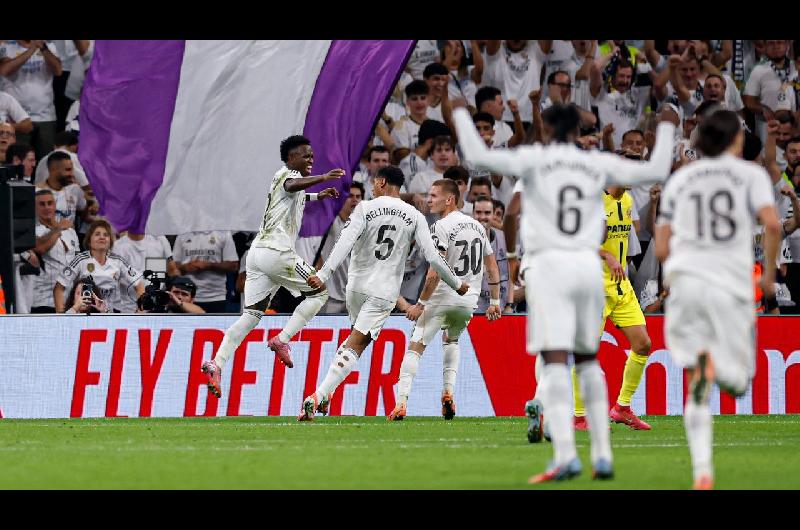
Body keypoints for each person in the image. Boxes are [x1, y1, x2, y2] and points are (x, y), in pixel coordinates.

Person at [453, 104, 675, 482]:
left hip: (548, 269)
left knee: (555, 361)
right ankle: (602, 455)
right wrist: (667, 126)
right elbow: (656, 170)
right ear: (577, 132)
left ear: (546, 127)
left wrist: (460, 114)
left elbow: (477, 156)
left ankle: (567, 456)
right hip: (587, 269)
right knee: (588, 360)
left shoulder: (533, 160)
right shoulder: (595, 164)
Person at [654, 110, 781, 490]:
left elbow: (661, 246)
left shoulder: (681, 179)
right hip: (732, 284)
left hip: (688, 282)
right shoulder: (751, 175)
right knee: (739, 383)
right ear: (735, 141)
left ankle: (702, 471)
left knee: (696, 381)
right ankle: (722, 371)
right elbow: (773, 224)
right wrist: (769, 276)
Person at [299, 166, 469, 420]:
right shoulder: (414, 215)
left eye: (373, 183)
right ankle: (318, 395)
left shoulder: (364, 208)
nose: (371, 188)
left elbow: (343, 243)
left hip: (355, 287)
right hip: (383, 291)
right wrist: (455, 283)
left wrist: (323, 275)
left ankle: (327, 394)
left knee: (353, 339)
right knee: (357, 343)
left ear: (381, 182)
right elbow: (433, 257)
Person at [200, 135, 343, 398]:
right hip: (277, 252)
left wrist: (318, 196)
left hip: (258, 255)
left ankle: (216, 363)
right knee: (320, 292)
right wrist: (323, 178)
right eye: (305, 155)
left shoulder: (289, 183)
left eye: (312, 156)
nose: (310, 159)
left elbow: (296, 195)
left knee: (251, 316)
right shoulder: (286, 174)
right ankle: (282, 339)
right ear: (291, 158)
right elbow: (292, 185)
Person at [390, 180, 502, 420]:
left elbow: (434, 272)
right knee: (451, 341)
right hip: (468, 302)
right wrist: (495, 302)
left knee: (415, 347)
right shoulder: (478, 226)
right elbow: (492, 267)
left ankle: (401, 403)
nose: (429, 200)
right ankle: (448, 392)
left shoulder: (440, 227)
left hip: (443, 297)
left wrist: (420, 304)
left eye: (433, 196)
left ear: (449, 199)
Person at [572, 183, 653, 432]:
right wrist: (606, 256)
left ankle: (622, 408)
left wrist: (619, 262)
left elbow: (624, 244)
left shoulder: (627, 200)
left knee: (643, 344)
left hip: (620, 286)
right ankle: (579, 417)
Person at [54, 219, 145, 313]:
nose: (102, 237)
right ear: (89, 241)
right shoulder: (80, 260)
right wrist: (61, 316)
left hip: (110, 316)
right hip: (85, 316)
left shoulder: (118, 261)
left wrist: (140, 310)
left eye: (106, 235)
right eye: (97, 234)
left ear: (110, 241)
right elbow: (59, 288)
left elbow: (139, 284)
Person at [0, 40, 62, 159]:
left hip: (45, 116)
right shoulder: (6, 46)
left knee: (46, 160)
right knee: (17, 159)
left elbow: (58, 70)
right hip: (17, 118)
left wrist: (43, 48)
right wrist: (31, 50)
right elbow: (5, 70)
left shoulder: (48, 46)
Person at [316, 182, 364, 314]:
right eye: (350, 196)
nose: (355, 200)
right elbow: (315, 250)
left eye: (358, 197)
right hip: (331, 295)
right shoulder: (330, 222)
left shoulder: (364, 226)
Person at [30, 189, 80, 313]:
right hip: (43, 300)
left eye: (50, 203)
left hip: (69, 301)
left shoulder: (70, 231)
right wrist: (58, 228)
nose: (47, 207)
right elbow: (41, 248)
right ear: (34, 208)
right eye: (42, 204)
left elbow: (78, 262)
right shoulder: (32, 231)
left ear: (55, 205)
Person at [172, 230, 239, 313]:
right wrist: (186, 267)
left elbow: (233, 265)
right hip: (186, 295)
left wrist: (210, 265)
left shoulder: (224, 233)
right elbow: (173, 266)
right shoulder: (182, 235)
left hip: (216, 296)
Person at [113, 232, 181, 313]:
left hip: (158, 306)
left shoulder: (160, 239)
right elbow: (114, 276)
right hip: (130, 308)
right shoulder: (118, 245)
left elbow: (172, 270)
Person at [473, 196, 510, 313]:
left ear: (493, 214)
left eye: (487, 213)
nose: (482, 217)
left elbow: (511, 275)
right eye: (478, 212)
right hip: (473, 312)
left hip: (500, 310)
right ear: (473, 214)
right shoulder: (462, 240)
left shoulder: (504, 238)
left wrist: (510, 304)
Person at [35, 151, 90, 225]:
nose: (72, 174)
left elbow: (84, 215)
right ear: (53, 169)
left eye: (72, 170)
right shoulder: (36, 192)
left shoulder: (75, 189)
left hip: (70, 232)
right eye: (68, 170)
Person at [137, 276, 205, 314]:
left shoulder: (195, 311)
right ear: (169, 292)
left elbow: (201, 313)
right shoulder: (159, 309)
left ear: (192, 299)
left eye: (184, 294)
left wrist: (178, 302)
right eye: (176, 292)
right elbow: (139, 317)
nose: (179, 297)